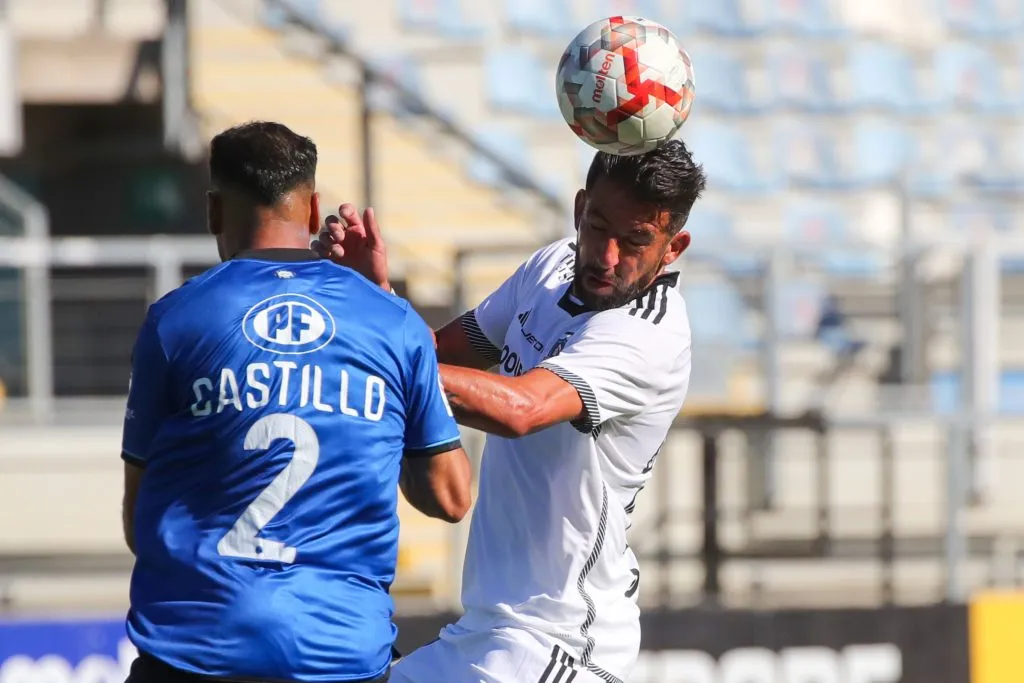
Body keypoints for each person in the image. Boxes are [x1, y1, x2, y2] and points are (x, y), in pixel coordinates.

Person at [315, 139, 705, 683]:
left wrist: (365, 365)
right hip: (489, 629)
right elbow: (436, 355)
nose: (609, 255)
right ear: (578, 209)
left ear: (673, 246)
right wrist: (375, 293)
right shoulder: (550, 267)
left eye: (636, 240)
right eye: (597, 226)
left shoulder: (650, 332)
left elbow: (521, 409)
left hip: (560, 645)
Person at [120, 120, 472, 683]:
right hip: (338, 653)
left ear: (214, 212)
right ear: (313, 214)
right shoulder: (391, 323)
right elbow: (452, 497)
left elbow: (140, 524)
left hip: (196, 652)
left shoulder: (174, 320)